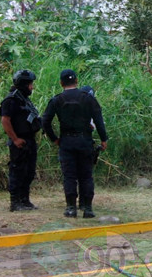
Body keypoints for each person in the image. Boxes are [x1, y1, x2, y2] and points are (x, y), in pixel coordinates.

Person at [42, 69, 108, 218]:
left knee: (69, 176)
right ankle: (88, 208)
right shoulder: (88, 98)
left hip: (66, 141)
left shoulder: (57, 100)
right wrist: (104, 139)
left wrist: (54, 138)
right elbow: (98, 119)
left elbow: (45, 121)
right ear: (76, 81)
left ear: (61, 83)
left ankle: (71, 207)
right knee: (86, 175)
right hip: (85, 140)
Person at [0, 70, 42, 212]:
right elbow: (5, 120)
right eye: (30, 84)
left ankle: (25, 200)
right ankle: (15, 202)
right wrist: (15, 139)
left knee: (29, 172)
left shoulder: (24, 99)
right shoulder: (11, 100)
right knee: (17, 171)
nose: (32, 87)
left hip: (29, 140)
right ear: (23, 84)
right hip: (19, 141)